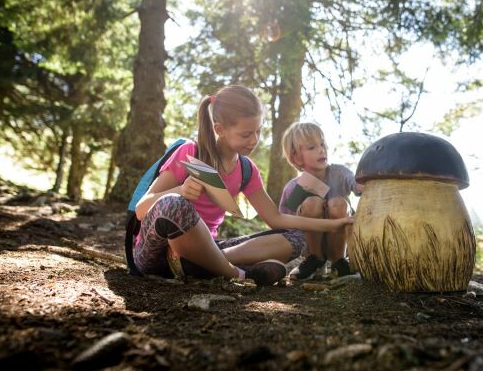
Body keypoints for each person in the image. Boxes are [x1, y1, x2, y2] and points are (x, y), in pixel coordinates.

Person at [133, 86, 353, 286]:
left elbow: (275, 219)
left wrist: (332, 225)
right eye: (246, 134)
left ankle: (201, 266)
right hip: (159, 253)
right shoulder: (191, 152)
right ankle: (235, 273)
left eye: (258, 131)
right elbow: (142, 209)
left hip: (206, 249)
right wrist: (180, 190)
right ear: (219, 129)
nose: (254, 140)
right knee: (174, 205)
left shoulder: (246, 169)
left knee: (295, 236)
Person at [279, 121, 363, 280]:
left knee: (338, 203)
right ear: (296, 158)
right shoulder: (294, 188)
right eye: (312, 147)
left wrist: (365, 183)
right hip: (310, 243)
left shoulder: (339, 172)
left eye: (322, 144)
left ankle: (339, 262)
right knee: (311, 203)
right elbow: (284, 221)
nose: (321, 150)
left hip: (338, 239)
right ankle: (314, 260)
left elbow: (356, 185)